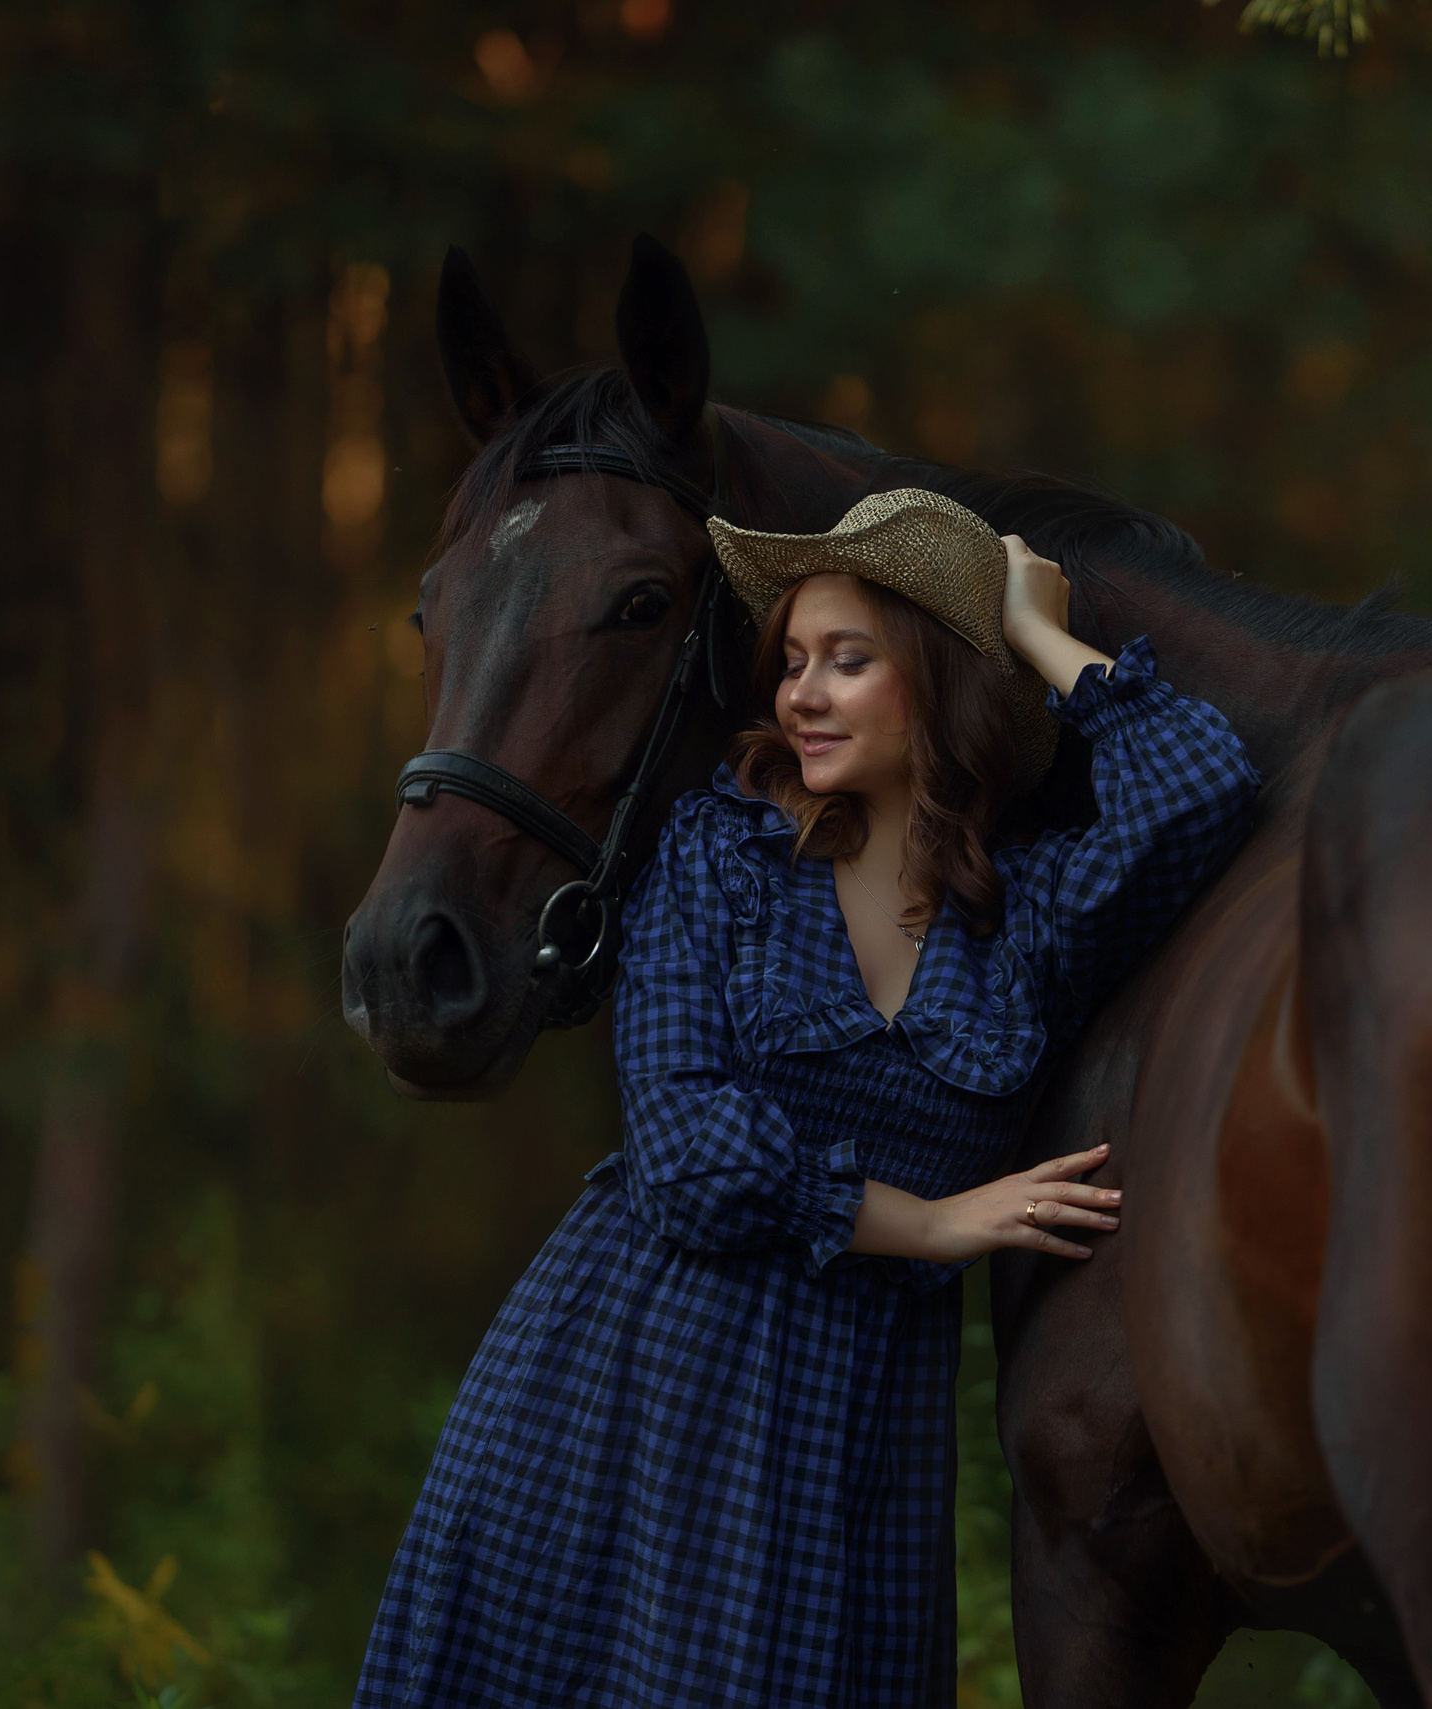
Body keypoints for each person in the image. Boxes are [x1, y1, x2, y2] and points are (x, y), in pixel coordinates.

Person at [353, 488, 1259, 1708]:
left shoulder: (1022, 920)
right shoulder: (716, 857)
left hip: (860, 1431)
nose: (800, 695)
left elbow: (1201, 779)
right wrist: (935, 1223)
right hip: (640, 1388)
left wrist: (1036, 636)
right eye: (790, 662)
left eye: (847, 659)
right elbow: (682, 1151)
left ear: (935, 679)